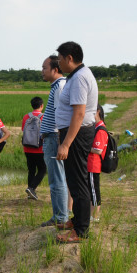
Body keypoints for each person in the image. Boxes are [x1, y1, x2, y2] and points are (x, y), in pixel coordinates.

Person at [54, 41, 98, 243]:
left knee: (78, 180)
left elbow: (79, 113)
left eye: (60, 59)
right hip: (77, 133)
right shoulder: (79, 75)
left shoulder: (79, 78)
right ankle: (78, 220)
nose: (59, 63)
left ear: (69, 58)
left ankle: (81, 230)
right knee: (74, 179)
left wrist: (66, 144)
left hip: (77, 135)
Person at [39, 55, 71, 227]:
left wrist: (60, 143)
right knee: (59, 178)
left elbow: (61, 115)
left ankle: (60, 217)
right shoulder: (58, 86)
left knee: (57, 179)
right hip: (53, 137)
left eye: (44, 68)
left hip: (54, 138)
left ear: (55, 69)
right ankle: (60, 215)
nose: (42, 71)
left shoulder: (59, 87)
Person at [22, 96, 46, 200]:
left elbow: (23, 130)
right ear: (41, 106)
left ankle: (30, 193)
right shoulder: (43, 117)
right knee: (42, 169)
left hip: (27, 148)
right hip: (39, 149)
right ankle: (31, 188)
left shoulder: (26, 117)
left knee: (31, 170)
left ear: (32, 105)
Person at [88, 104, 107, 222]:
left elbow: (98, 150)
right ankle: (91, 215)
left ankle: (95, 216)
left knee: (94, 191)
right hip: (90, 164)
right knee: (91, 190)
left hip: (93, 164)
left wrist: (84, 147)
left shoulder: (100, 130)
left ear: (98, 112)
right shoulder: (96, 127)